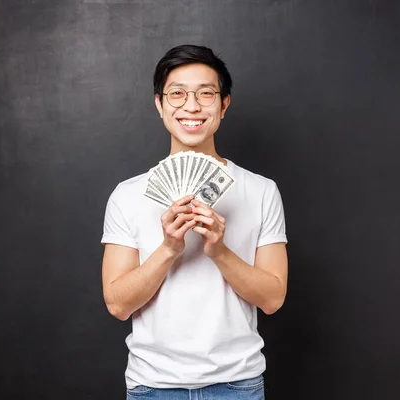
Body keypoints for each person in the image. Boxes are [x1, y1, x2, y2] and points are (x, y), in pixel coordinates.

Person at [101, 44, 288, 399]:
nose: (191, 106)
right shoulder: (127, 194)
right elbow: (117, 304)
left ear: (224, 104)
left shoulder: (262, 191)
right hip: (152, 387)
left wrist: (219, 250)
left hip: (238, 385)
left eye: (206, 94)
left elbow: (273, 298)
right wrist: (169, 248)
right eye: (177, 94)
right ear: (159, 104)